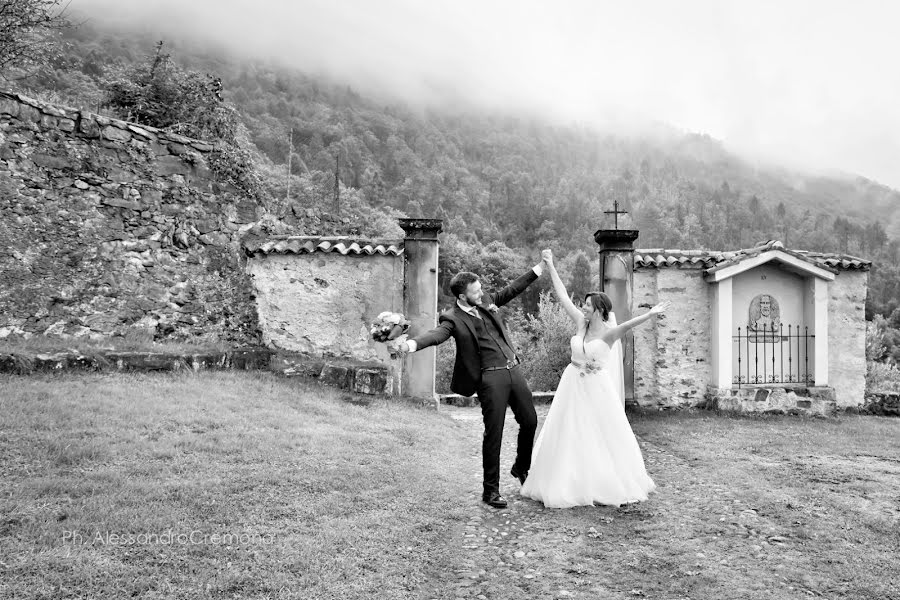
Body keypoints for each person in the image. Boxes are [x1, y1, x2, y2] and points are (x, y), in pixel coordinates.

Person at [519, 249, 669, 509]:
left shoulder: (610, 333)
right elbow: (563, 295)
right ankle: (567, 480)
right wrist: (551, 265)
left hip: (597, 387)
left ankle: (601, 481)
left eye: (587, 305)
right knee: (568, 430)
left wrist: (651, 314)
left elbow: (630, 324)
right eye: (584, 305)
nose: (583, 307)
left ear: (599, 309)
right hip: (572, 384)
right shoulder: (580, 322)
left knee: (599, 432)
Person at [397, 259, 546, 508]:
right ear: (462, 296)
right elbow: (436, 335)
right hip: (490, 378)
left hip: (513, 369)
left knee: (530, 421)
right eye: (475, 291)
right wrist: (410, 345)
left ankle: (521, 467)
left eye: (480, 289)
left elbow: (511, 289)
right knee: (494, 433)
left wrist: (539, 268)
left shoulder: (485, 301)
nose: (482, 293)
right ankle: (491, 491)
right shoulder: (452, 318)